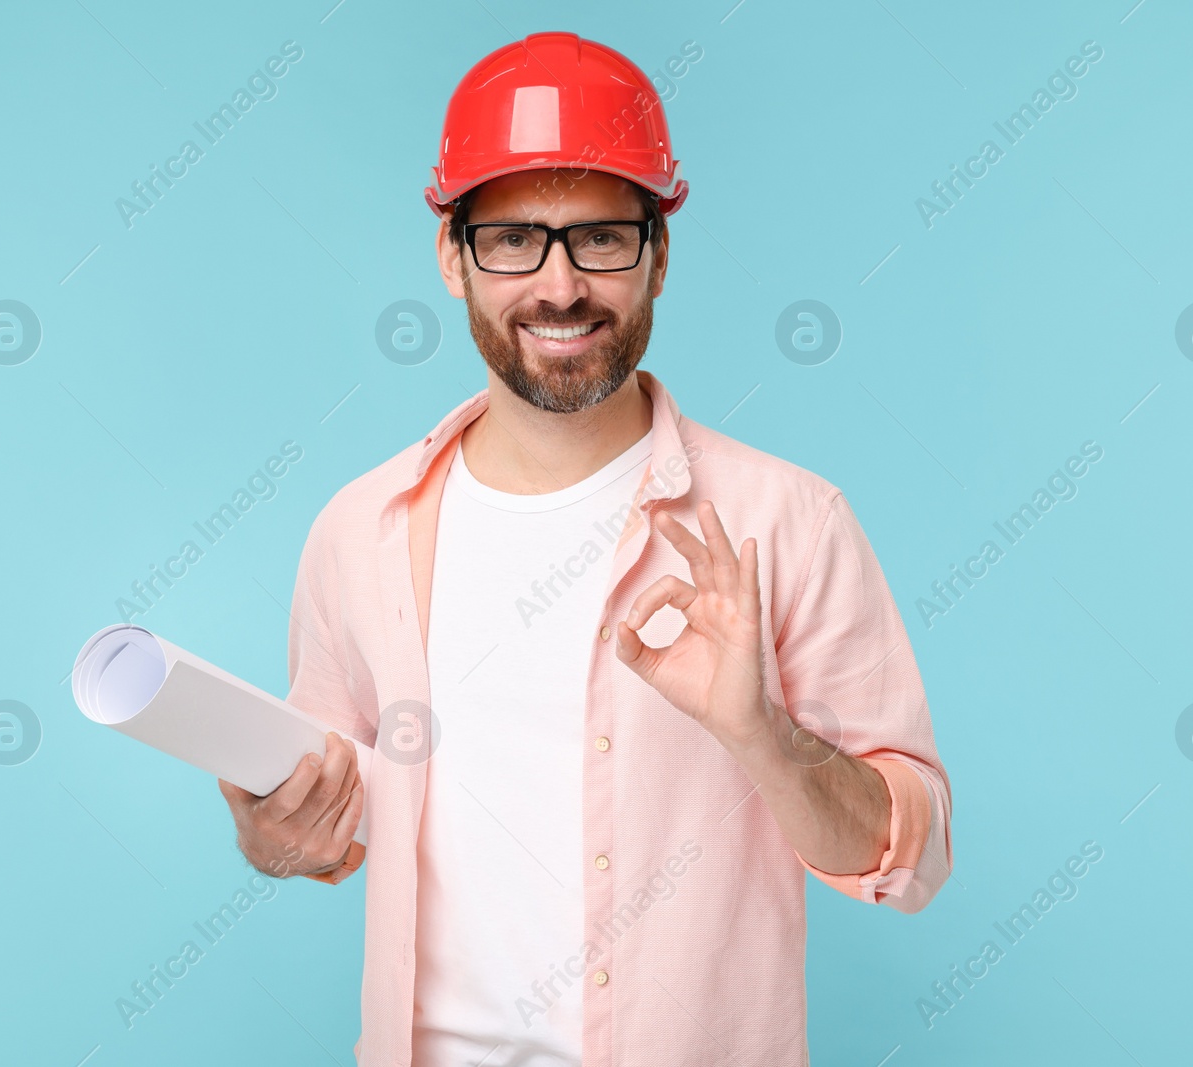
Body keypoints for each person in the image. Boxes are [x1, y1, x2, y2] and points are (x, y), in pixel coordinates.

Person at [218, 31, 952, 1067]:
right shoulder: (359, 530)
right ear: (451, 254)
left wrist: (762, 734)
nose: (559, 287)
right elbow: (326, 820)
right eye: (513, 238)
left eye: (600, 237)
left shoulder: (788, 520)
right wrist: (274, 834)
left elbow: (906, 857)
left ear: (658, 250)